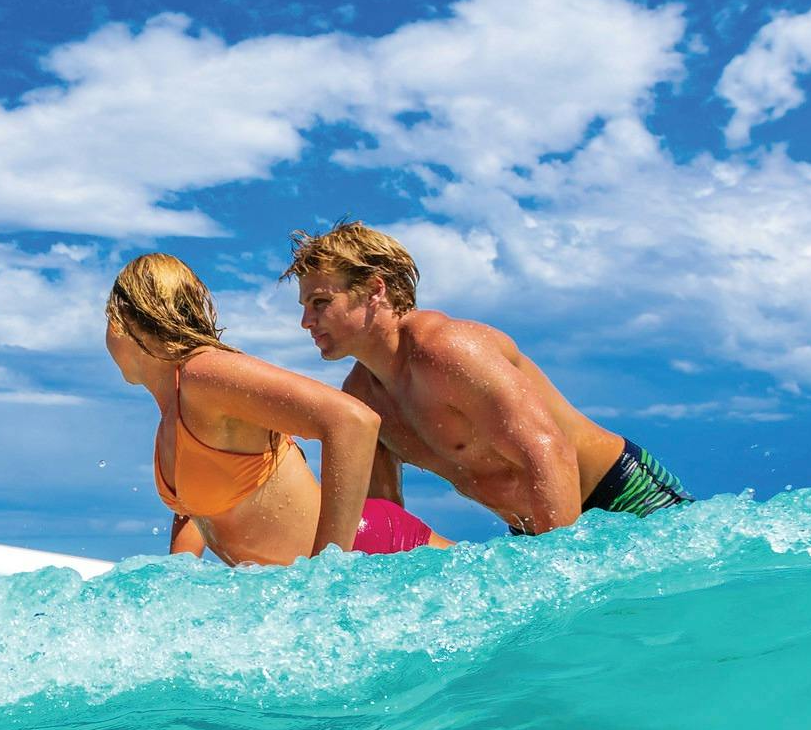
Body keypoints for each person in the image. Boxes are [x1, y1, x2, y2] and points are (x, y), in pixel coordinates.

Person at [285, 220, 692, 534]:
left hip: (622, 498)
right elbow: (383, 514)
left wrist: (561, 573)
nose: (306, 321)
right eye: (305, 306)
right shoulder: (362, 398)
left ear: (374, 290)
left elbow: (549, 452)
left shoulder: (447, 349)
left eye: (321, 302)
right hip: (537, 532)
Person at [105, 253, 445, 565]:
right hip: (310, 580)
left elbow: (353, 421)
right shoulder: (175, 408)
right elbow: (196, 507)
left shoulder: (204, 373)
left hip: (373, 550)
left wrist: (326, 577)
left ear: (124, 321)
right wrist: (175, 581)